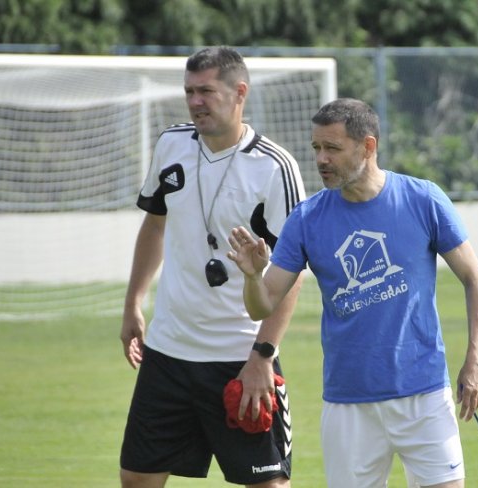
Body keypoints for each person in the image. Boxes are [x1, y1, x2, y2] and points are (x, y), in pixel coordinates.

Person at [227, 97, 478, 488]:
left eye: (332, 148)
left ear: (368, 147)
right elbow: (261, 305)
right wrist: (252, 277)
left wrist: (476, 360)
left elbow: (475, 279)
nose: (321, 159)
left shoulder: (423, 199)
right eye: (316, 148)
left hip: (424, 395)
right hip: (348, 403)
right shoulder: (306, 219)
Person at [118, 46, 305, 488]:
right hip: (168, 353)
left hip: (239, 357)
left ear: (239, 92)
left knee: (268, 483)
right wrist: (133, 303)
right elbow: (155, 224)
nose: (195, 101)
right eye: (189, 91)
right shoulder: (172, 143)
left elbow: (293, 268)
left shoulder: (275, 167)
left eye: (206, 91)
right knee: (136, 479)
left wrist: (263, 356)